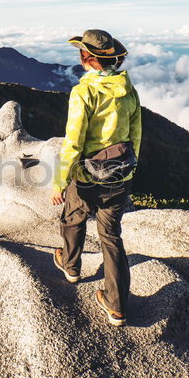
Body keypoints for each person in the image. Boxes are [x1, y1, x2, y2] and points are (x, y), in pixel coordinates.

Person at [50, 29, 142, 326]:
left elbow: (74, 142)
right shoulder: (128, 89)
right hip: (120, 174)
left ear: (86, 57)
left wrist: (60, 182)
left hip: (89, 175)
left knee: (73, 218)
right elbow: (135, 135)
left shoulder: (84, 92)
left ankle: (71, 265)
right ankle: (117, 306)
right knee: (111, 237)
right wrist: (130, 169)